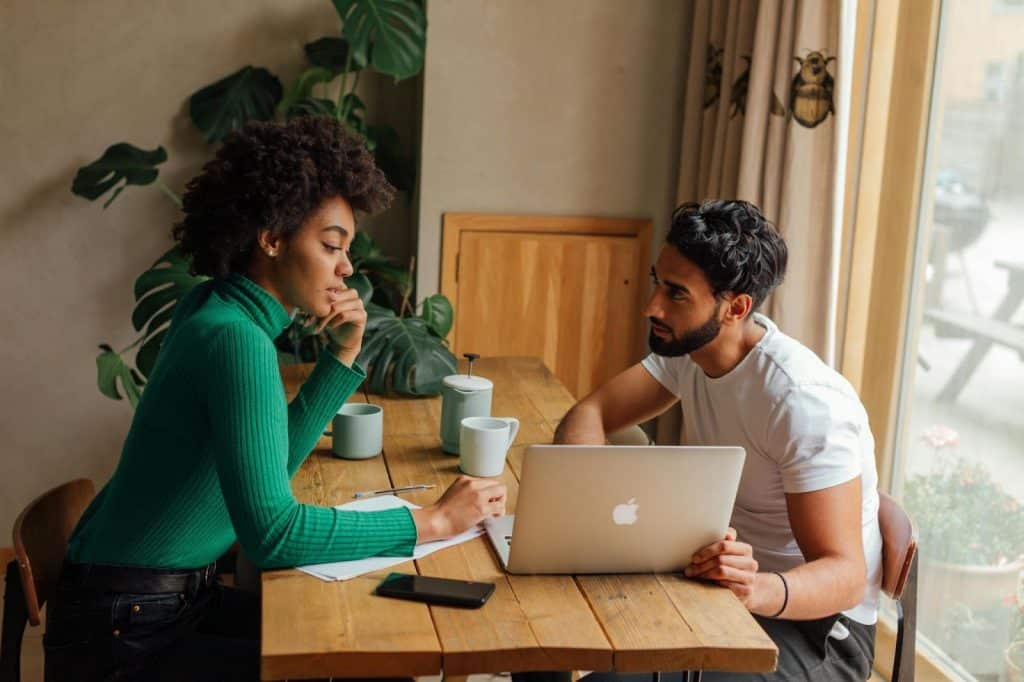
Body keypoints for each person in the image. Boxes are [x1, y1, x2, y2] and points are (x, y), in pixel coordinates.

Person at [44, 116, 507, 681]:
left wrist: (343, 352)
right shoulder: (236, 339)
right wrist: (432, 521)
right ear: (270, 236)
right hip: (127, 634)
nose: (347, 267)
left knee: (361, 647)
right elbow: (272, 535)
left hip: (144, 603)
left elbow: (273, 465)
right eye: (331, 245)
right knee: (369, 666)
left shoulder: (216, 310)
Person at [555, 200, 882, 681]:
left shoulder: (803, 402)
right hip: (716, 588)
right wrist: (587, 499)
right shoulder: (692, 350)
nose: (652, 306)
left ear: (736, 308)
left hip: (815, 630)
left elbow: (846, 575)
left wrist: (756, 590)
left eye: (676, 294)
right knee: (551, 634)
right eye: (656, 282)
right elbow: (593, 411)